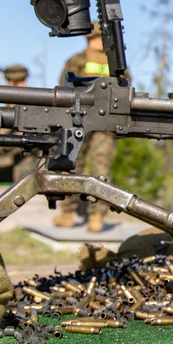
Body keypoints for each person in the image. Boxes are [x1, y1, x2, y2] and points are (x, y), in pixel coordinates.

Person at [53, 24, 115, 233]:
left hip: (78, 120)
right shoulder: (115, 62)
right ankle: (96, 216)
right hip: (105, 121)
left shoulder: (77, 60)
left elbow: (63, 90)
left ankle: (68, 213)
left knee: (72, 163)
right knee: (101, 166)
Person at [0, 65, 39, 184]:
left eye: (9, 80)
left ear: (12, 80)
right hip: (17, 140)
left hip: (24, 140)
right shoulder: (25, 94)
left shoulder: (28, 95)